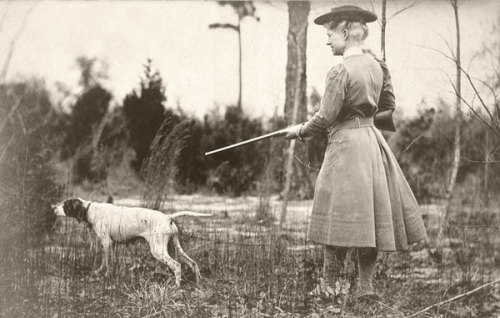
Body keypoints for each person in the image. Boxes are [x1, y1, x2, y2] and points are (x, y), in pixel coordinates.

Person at [285, 5, 427, 301]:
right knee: (369, 216)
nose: (327, 40)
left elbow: (324, 119)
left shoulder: (340, 70)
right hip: (372, 146)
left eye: (330, 33)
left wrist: (298, 130)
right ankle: (365, 289)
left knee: (336, 212)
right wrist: (364, 119)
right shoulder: (377, 66)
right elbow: (388, 107)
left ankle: (329, 285)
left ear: (345, 32)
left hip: (345, 149)